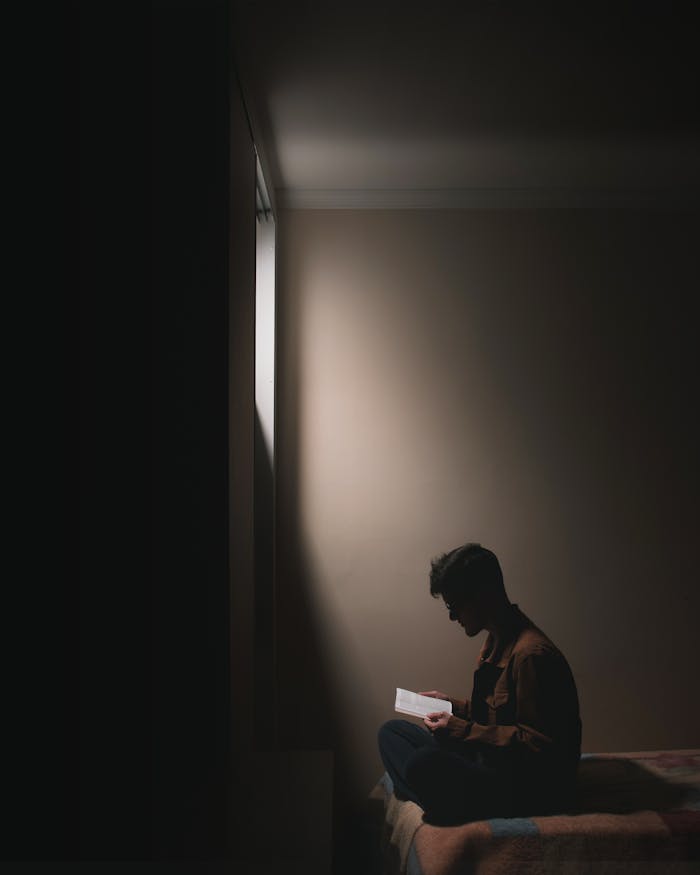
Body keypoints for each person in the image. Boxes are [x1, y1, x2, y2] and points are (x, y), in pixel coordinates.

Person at [377, 543, 582, 826]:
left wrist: (460, 730)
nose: (452, 616)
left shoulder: (531, 655)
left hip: (526, 785)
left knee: (422, 764)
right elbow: (501, 714)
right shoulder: (496, 640)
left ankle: (445, 801)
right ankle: (444, 797)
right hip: (491, 762)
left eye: (454, 605)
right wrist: (452, 707)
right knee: (392, 733)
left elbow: (539, 747)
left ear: (483, 596)